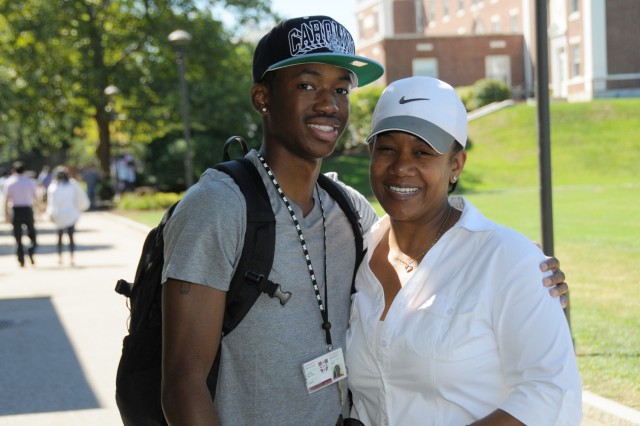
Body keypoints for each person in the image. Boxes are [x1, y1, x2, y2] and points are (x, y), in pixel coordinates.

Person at [160, 17, 568, 426]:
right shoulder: (219, 207)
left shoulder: (350, 212)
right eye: (307, 85)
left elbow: (437, 250)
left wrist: (523, 276)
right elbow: (182, 383)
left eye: (340, 89)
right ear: (262, 97)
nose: (328, 103)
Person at [345, 77, 582, 425]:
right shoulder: (355, 255)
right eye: (387, 148)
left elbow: (552, 390)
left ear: (455, 165)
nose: (400, 167)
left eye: (423, 152)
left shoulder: (508, 259)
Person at [46, 166, 90, 265]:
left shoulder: (53, 186)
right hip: (70, 213)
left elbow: (51, 203)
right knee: (70, 236)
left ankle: (60, 257)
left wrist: (50, 214)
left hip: (59, 214)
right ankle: (71, 257)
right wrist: (80, 208)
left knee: (60, 237)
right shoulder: (72, 184)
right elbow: (80, 197)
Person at [3, 161, 39, 267]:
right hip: (27, 209)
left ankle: (21, 258)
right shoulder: (30, 182)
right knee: (32, 235)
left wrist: (6, 214)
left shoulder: (9, 182)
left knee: (18, 237)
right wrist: (39, 209)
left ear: (13, 170)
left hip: (16, 210)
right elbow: (36, 197)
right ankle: (30, 251)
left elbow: (6, 199)